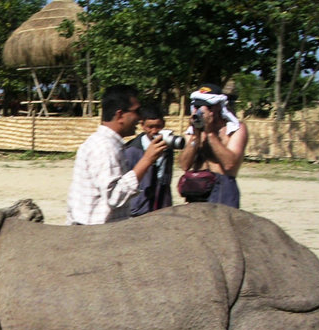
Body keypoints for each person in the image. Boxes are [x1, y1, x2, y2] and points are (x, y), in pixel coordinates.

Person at [66, 85, 167, 225]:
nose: (140, 118)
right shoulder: (105, 147)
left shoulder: (104, 143)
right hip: (95, 236)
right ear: (120, 115)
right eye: (137, 111)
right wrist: (147, 160)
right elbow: (115, 197)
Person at [177, 83, 248, 208]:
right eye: (197, 106)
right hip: (197, 186)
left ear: (217, 107)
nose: (200, 110)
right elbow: (184, 165)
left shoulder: (235, 129)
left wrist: (210, 134)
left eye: (205, 106)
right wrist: (196, 136)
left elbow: (229, 164)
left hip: (223, 187)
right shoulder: (193, 131)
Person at [124, 106, 174, 216]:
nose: (154, 131)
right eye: (150, 127)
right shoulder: (132, 151)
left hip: (162, 209)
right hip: (139, 211)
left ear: (164, 124)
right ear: (142, 125)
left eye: (158, 126)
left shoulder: (167, 148)